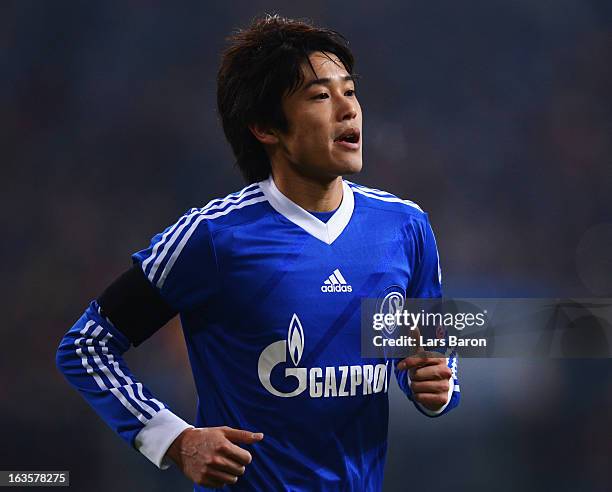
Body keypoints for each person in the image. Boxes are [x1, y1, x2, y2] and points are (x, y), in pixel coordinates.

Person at [56, 14, 459, 491]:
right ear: (267, 128)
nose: (348, 110)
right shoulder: (213, 238)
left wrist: (440, 386)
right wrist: (176, 440)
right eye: (320, 96)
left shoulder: (406, 227)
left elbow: (435, 354)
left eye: (349, 91)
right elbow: (86, 347)